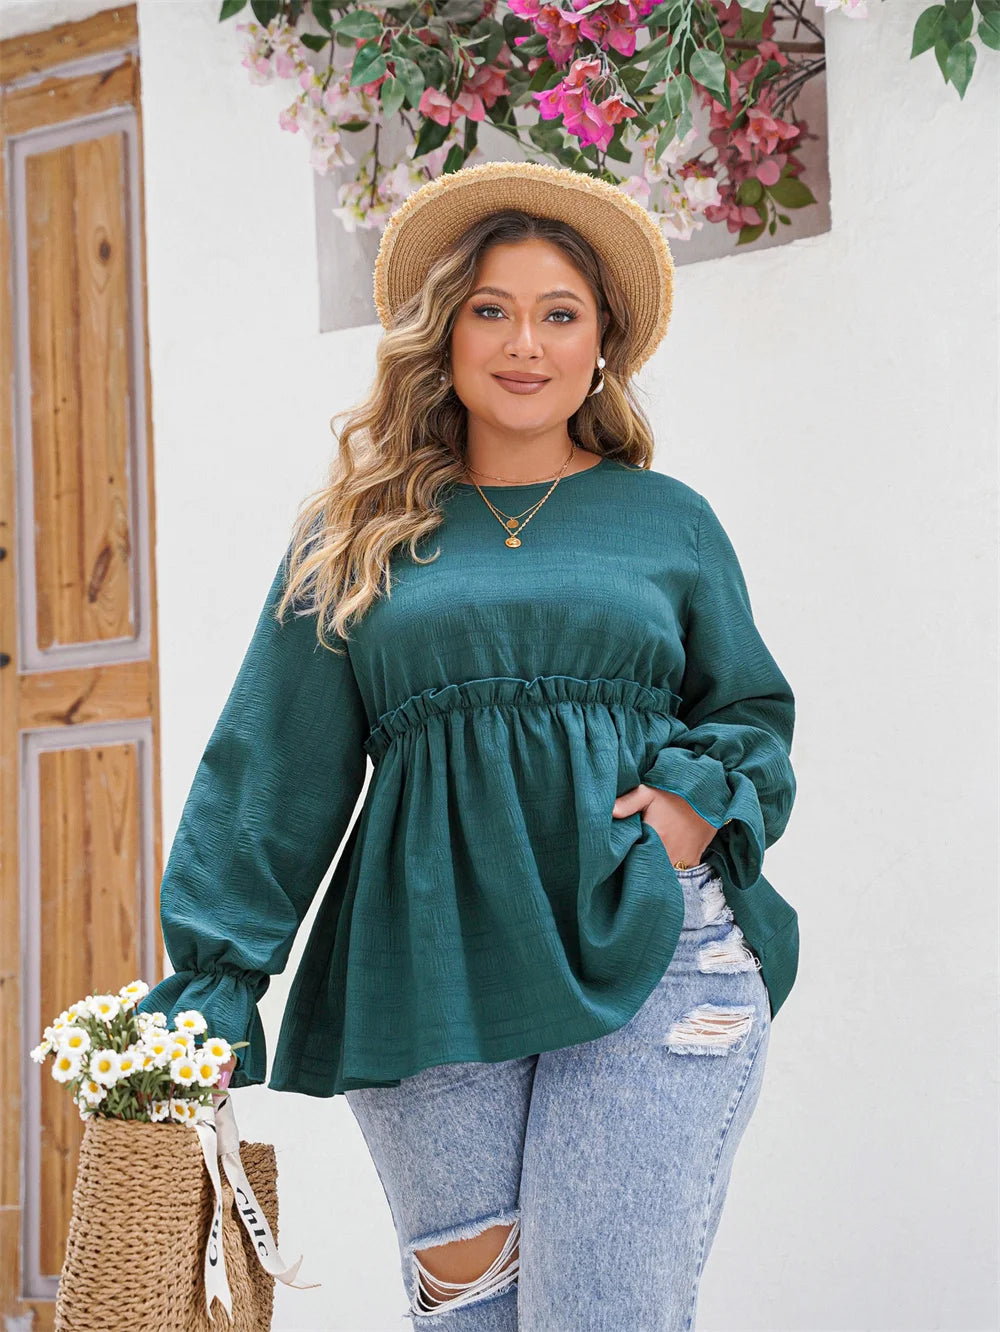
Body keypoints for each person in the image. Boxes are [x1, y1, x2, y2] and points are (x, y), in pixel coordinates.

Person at [139, 160, 798, 1329]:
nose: (524, 343)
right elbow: (272, 764)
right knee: (470, 1317)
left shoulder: (669, 521)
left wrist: (693, 807)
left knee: (599, 1311)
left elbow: (746, 709)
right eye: (491, 309)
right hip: (428, 967)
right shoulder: (353, 534)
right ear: (442, 332)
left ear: (602, 346)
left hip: (652, 944)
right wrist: (217, 980)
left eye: (560, 314)